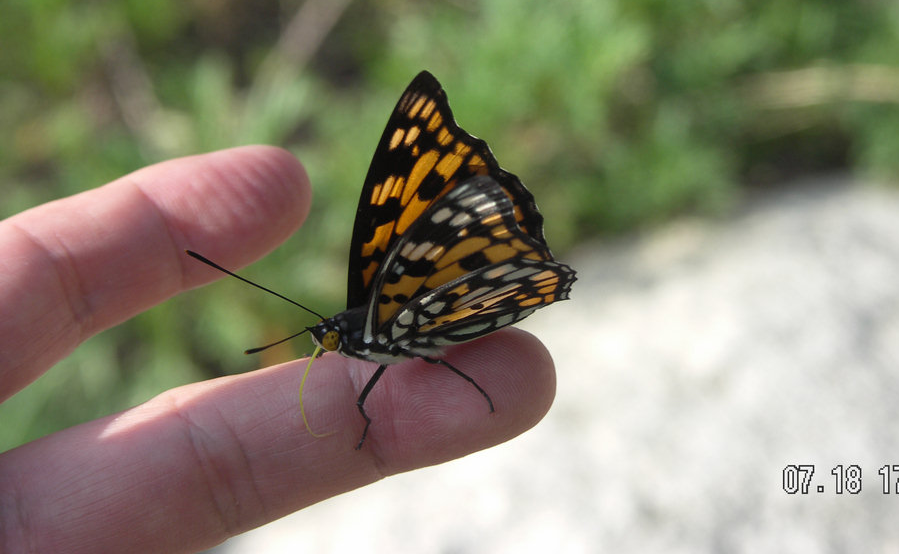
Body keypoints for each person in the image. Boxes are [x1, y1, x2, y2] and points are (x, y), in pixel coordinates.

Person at [0, 146, 556, 554]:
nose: (327, 347)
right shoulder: (378, 324)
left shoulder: (379, 322)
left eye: (328, 341)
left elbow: (402, 355)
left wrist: (459, 379)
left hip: (486, 291)